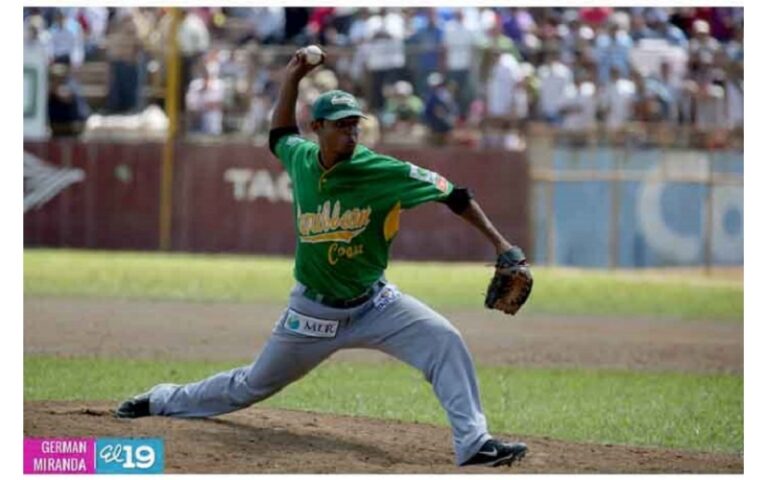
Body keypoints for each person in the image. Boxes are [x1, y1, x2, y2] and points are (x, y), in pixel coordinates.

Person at [116, 47, 529, 469]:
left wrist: (502, 246)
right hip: (311, 312)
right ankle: (164, 399)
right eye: (342, 126)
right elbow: (278, 135)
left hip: (376, 304)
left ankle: (474, 443)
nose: (352, 133)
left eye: (355, 125)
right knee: (251, 385)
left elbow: (455, 195)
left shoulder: (382, 171)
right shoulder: (300, 158)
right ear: (317, 128)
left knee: (444, 341)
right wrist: (293, 76)